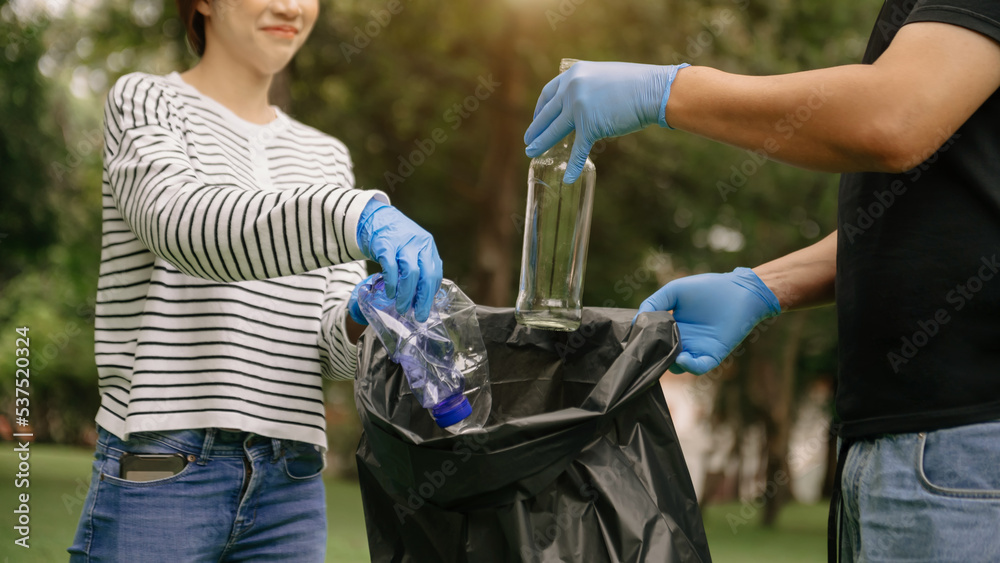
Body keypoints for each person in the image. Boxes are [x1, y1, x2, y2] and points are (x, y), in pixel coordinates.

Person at [523, 1, 1000, 561]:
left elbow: (896, 117)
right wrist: (764, 285)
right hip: (920, 443)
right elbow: (950, 217)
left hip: (962, 445)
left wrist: (667, 91)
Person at [68, 0, 442, 560]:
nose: (291, 6)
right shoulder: (146, 101)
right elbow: (184, 224)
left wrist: (362, 314)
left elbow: (331, 355)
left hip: (291, 485)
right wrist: (357, 215)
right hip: (162, 465)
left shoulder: (327, 157)